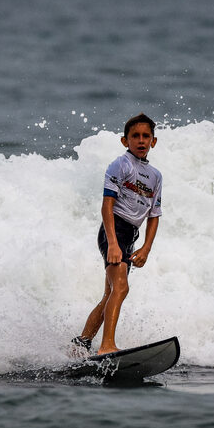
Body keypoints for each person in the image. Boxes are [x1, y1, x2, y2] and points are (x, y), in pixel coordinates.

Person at [73, 113, 162, 355]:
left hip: (131, 235)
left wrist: (146, 247)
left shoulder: (155, 176)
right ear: (125, 141)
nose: (141, 141)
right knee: (121, 288)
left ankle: (80, 344)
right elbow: (107, 205)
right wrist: (113, 243)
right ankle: (107, 346)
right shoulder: (120, 165)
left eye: (146, 136)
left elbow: (154, 215)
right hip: (113, 231)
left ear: (153, 141)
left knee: (110, 295)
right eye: (136, 136)